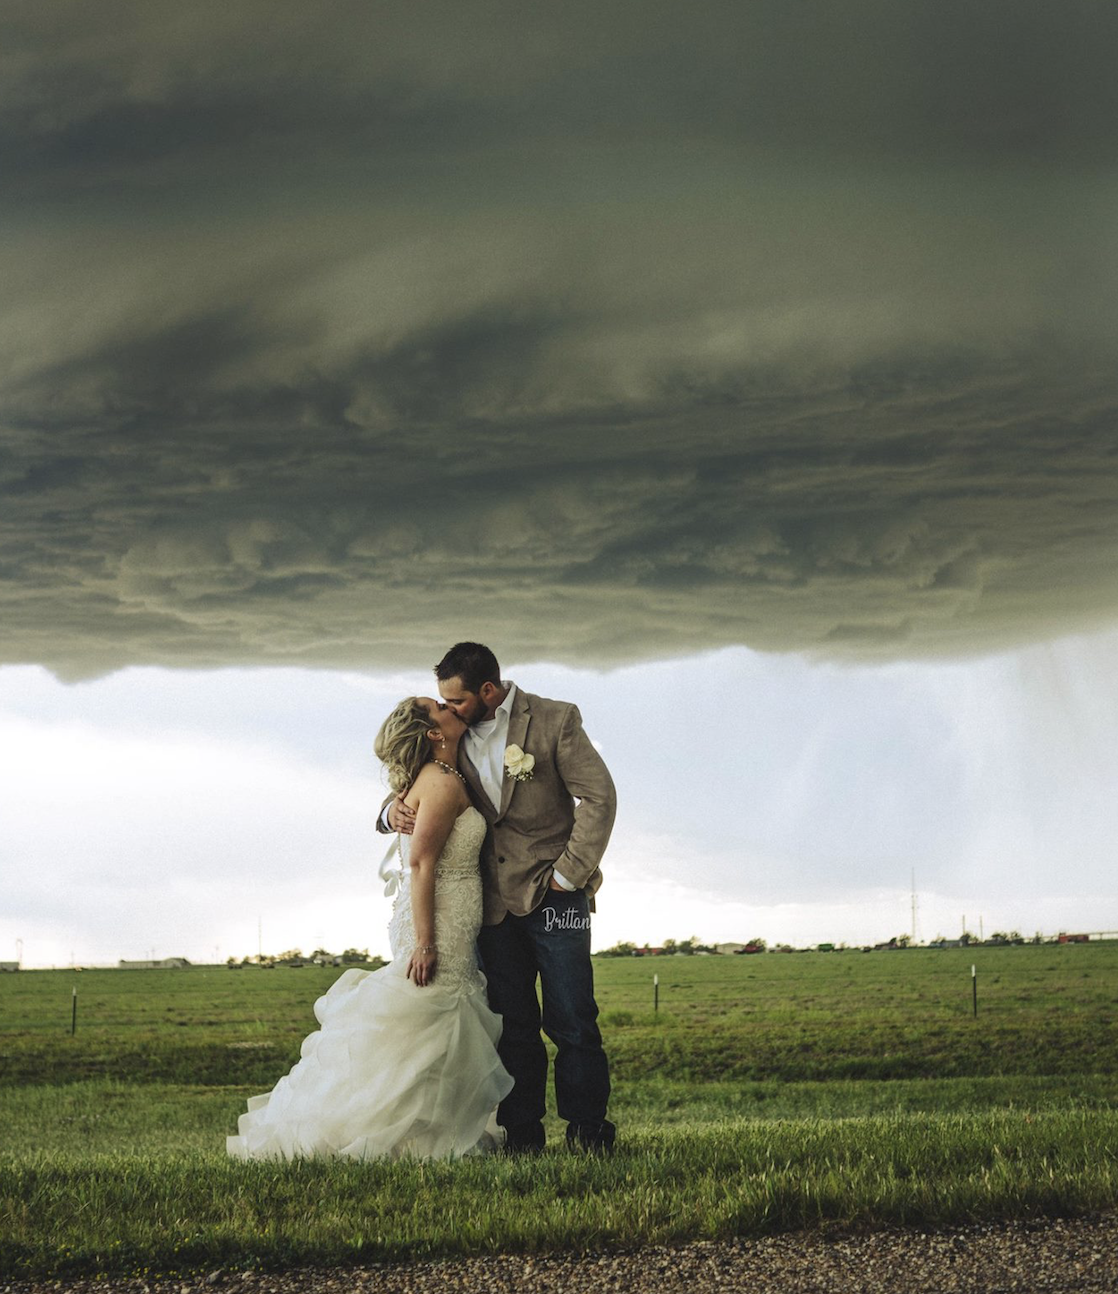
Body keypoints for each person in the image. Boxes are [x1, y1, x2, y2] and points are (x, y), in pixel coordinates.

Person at [226, 695, 513, 1161]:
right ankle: (401, 1138)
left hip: (450, 917)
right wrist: (424, 942)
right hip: (436, 920)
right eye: (438, 706)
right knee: (430, 1019)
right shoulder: (439, 784)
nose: (445, 704)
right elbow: (421, 865)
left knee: (433, 1024)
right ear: (435, 734)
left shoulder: (441, 776)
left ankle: (430, 1136)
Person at [383, 642, 617, 1154]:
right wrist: (389, 812)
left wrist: (569, 876)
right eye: (443, 704)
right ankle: (523, 1134)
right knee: (512, 1026)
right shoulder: (454, 735)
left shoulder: (556, 720)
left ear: (487, 691)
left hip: (557, 900)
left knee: (573, 1017)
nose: (448, 711)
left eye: (456, 702)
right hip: (489, 908)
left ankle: (588, 1133)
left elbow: (599, 795)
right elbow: (418, 774)